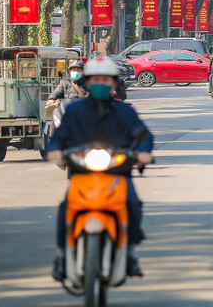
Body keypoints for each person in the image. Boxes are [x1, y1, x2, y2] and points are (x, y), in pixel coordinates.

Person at [48, 57, 153, 280]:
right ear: (87, 82)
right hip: (82, 173)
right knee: (65, 208)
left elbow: (143, 135)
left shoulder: (125, 112)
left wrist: (143, 152)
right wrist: (55, 150)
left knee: (133, 204)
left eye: (105, 80)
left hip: (117, 173)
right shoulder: (75, 111)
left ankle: (130, 251)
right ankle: (61, 255)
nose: (100, 84)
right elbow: (61, 135)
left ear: (114, 83)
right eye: (95, 79)